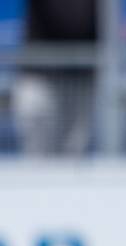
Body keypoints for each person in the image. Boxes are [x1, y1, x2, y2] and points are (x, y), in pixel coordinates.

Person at [13, 0, 97, 156]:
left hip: (80, 81)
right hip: (40, 80)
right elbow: (69, 22)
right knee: (39, 160)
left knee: (73, 159)